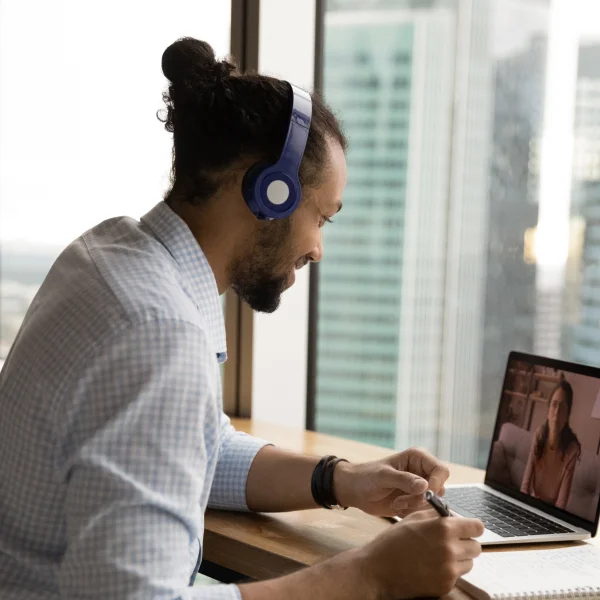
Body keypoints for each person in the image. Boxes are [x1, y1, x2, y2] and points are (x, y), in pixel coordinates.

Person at [0, 37, 483, 600]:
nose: (318, 249)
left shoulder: (111, 256)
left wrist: (341, 479)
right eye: (321, 217)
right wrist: (368, 575)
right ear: (267, 192)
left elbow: (197, 446)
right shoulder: (161, 334)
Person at [521, 380, 581, 509]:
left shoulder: (572, 449)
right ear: (548, 411)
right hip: (532, 502)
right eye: (554, 405)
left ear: (567, 415)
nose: (557, 411)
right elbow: (525, 485)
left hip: (552, 511)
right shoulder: (539, 435)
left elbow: (561, 503)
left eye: (563, 406)